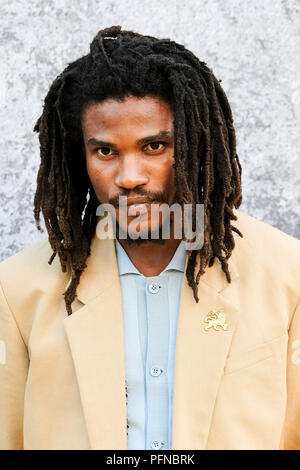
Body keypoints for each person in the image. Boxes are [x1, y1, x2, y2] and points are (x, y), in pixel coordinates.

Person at [0, 25, 299, 451]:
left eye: (155, 146)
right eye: (105, 151)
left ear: (197, 142)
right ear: (79, 157)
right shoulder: (16, 291)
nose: (129, 178)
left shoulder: (289, 276)